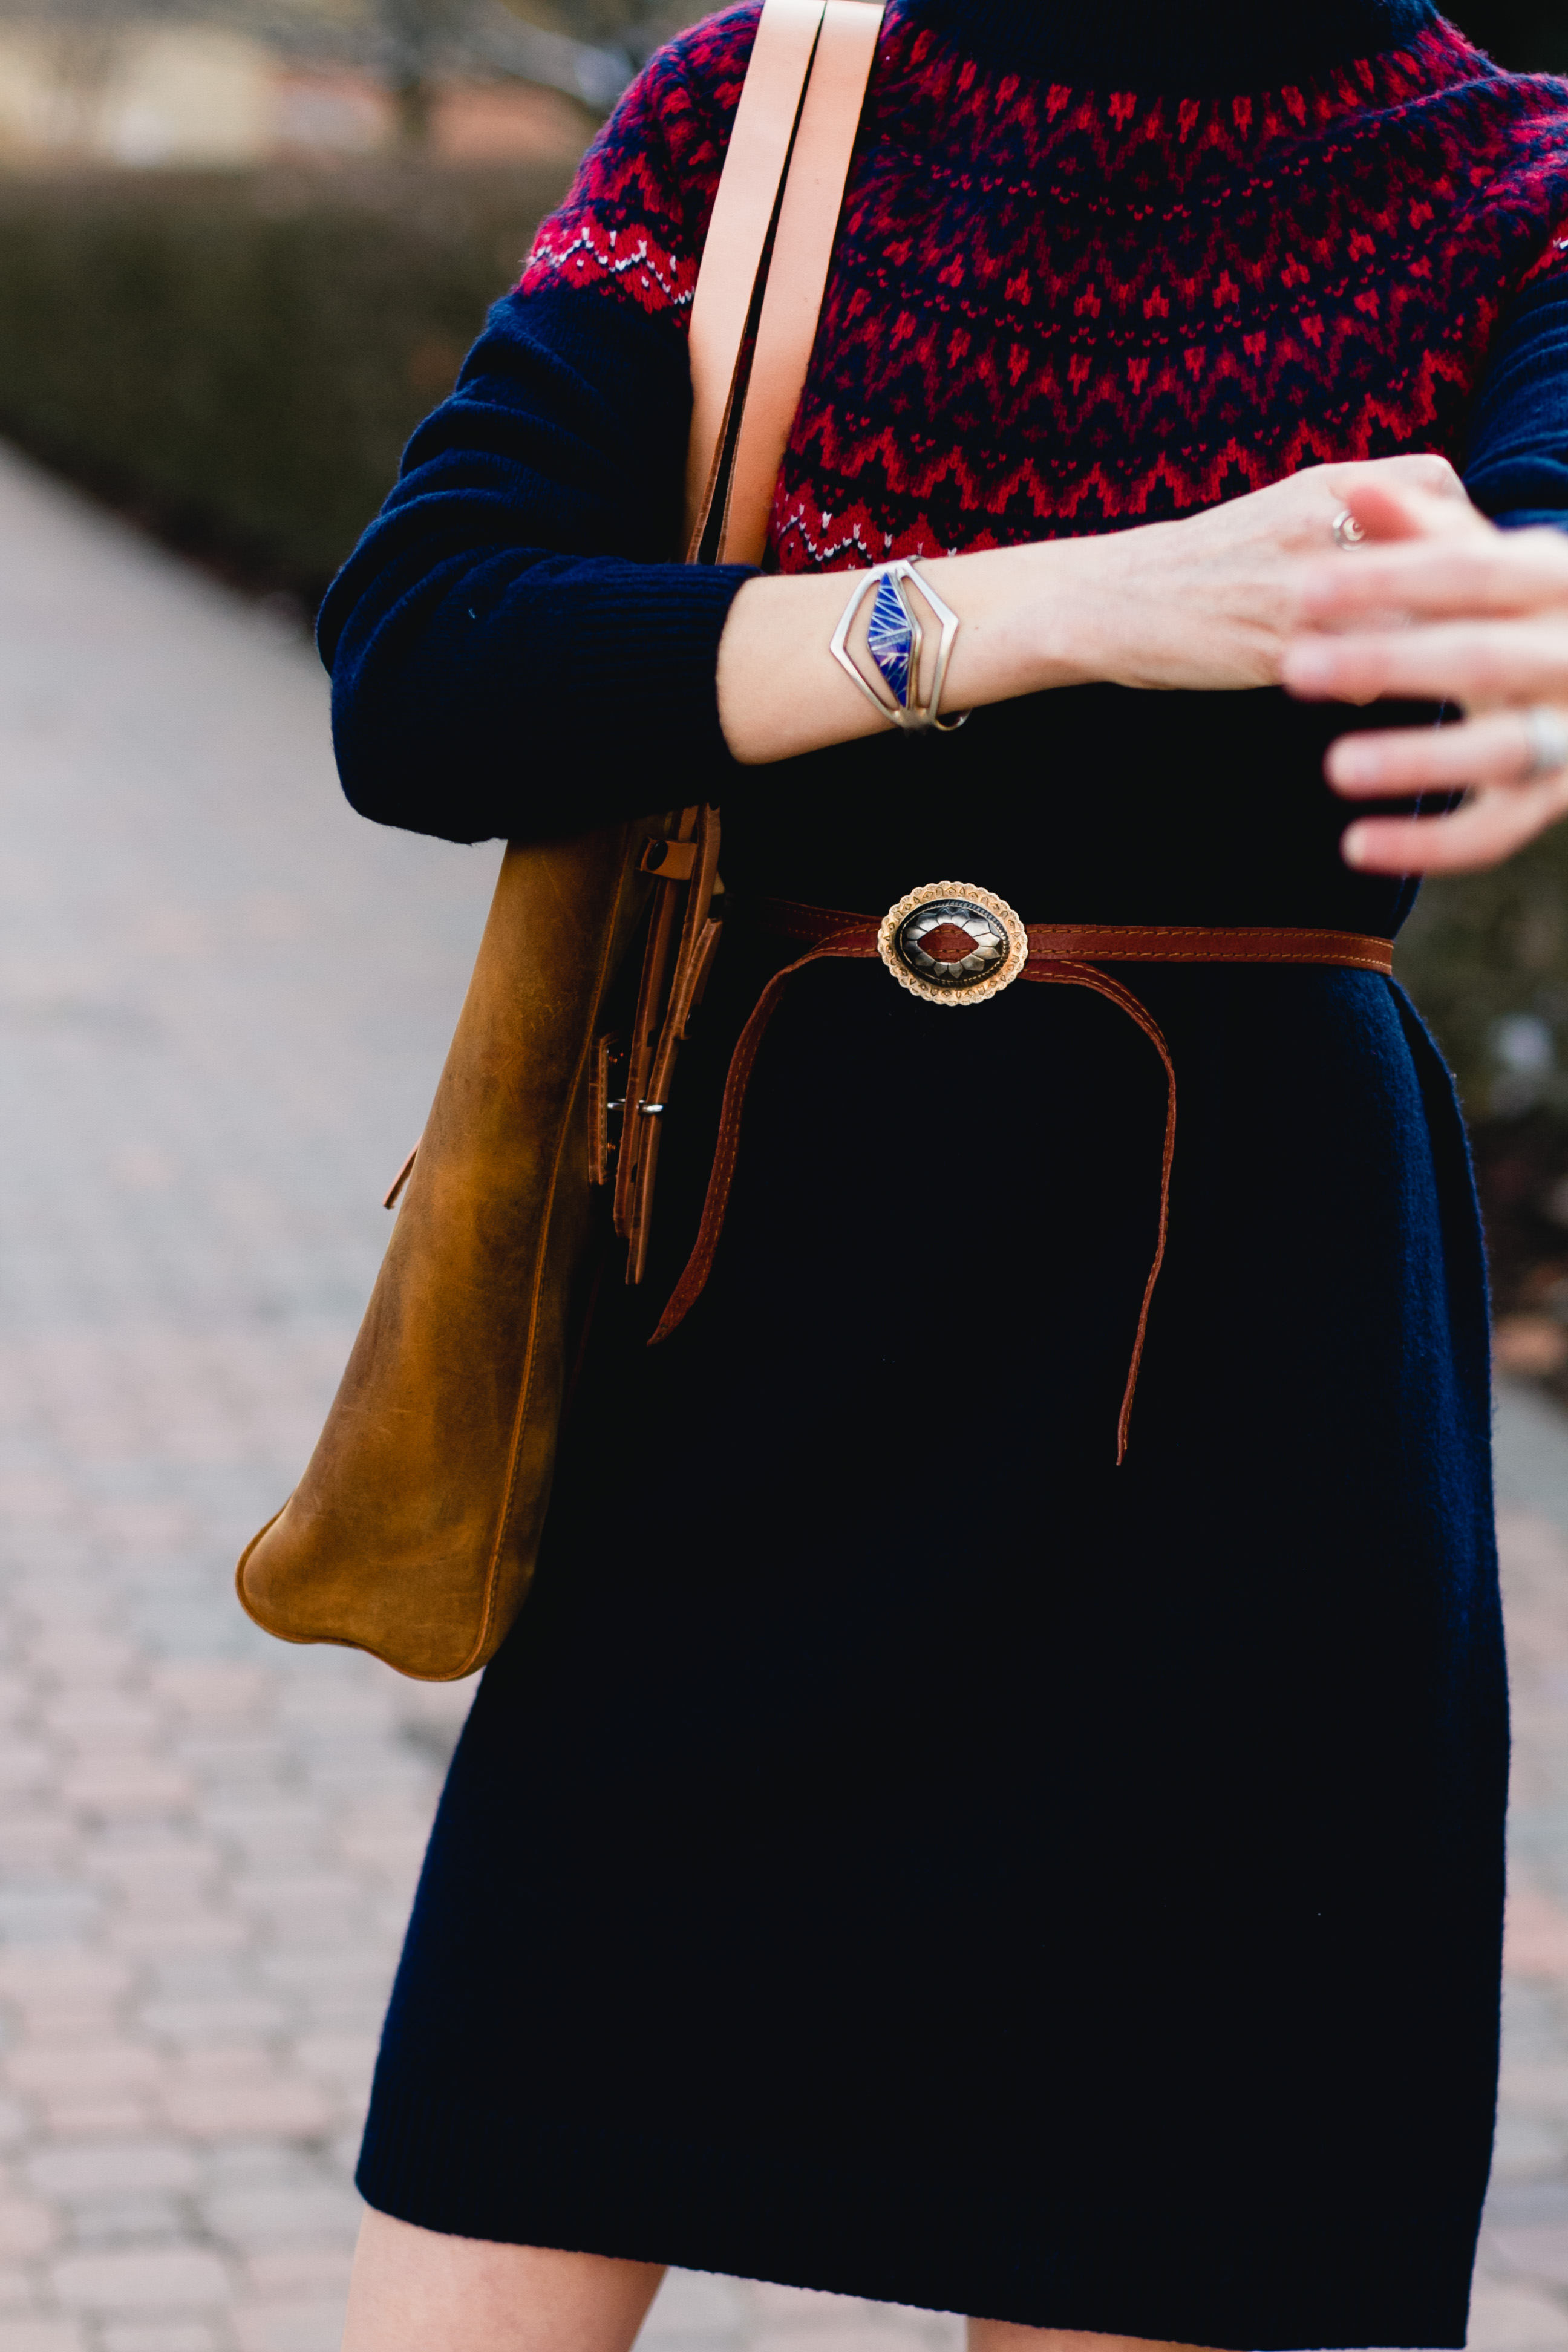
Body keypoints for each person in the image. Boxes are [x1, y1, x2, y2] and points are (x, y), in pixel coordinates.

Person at [318, 1, 1568, 2345]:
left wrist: (1538, 625)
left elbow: (1548, 542)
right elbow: (425, 654)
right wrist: (1058, 603)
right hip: (746, 1348)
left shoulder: (1522, 177)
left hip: (1239, 1406)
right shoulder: (759, 109)